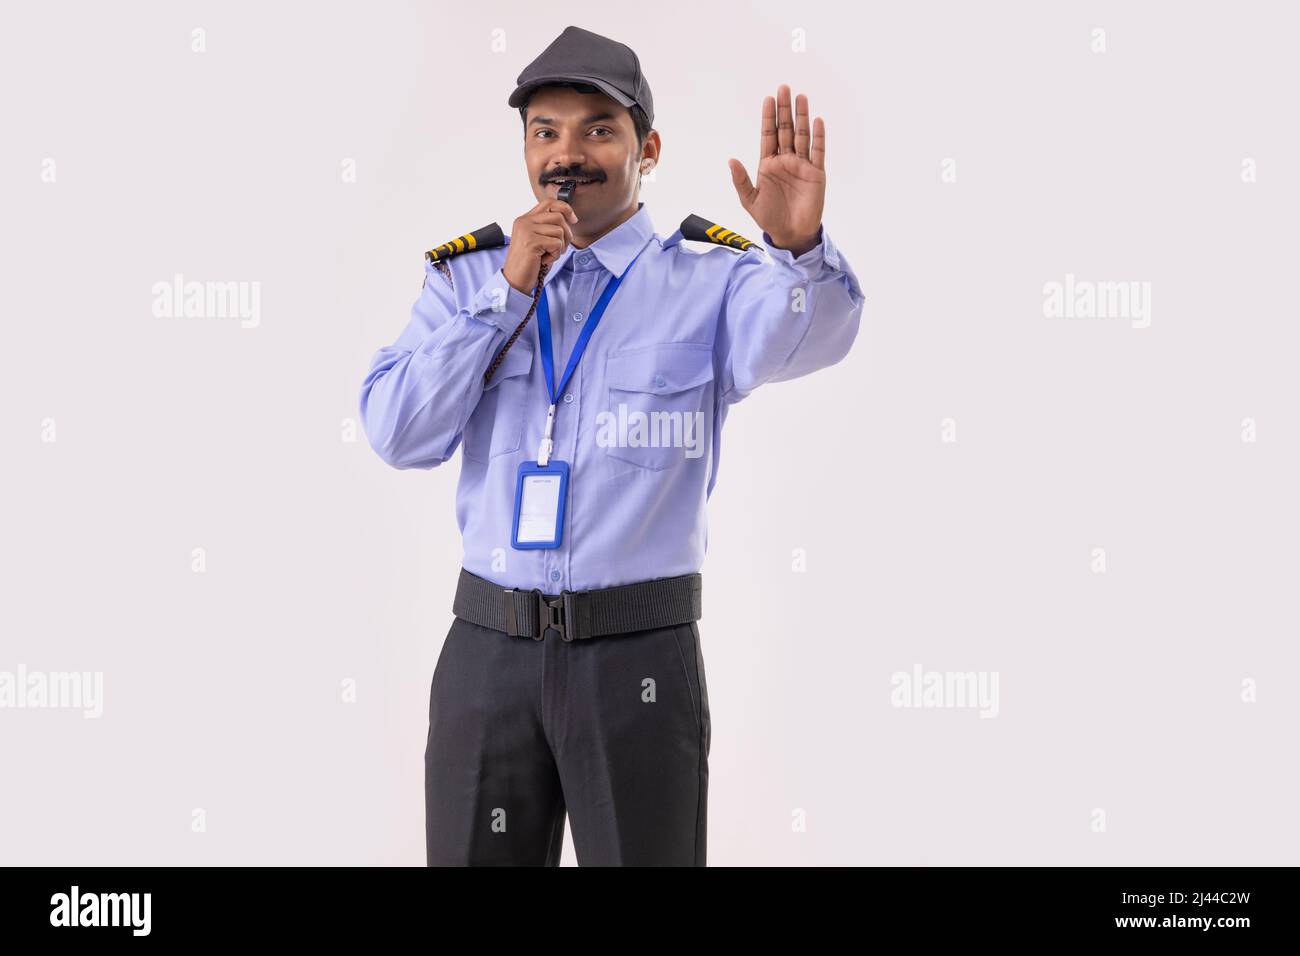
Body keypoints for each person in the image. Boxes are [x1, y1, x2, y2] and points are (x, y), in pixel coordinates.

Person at [359, 24, 864, 866]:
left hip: (639, 661)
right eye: (544, 131)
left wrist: (798, 251)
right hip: (488, 655)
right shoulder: (470, 279)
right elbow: (397, 431)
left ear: (648, 147)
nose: (568, 154)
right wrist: (507, 293)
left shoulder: (711, 279)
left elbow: (814, 339)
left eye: (598, 128)